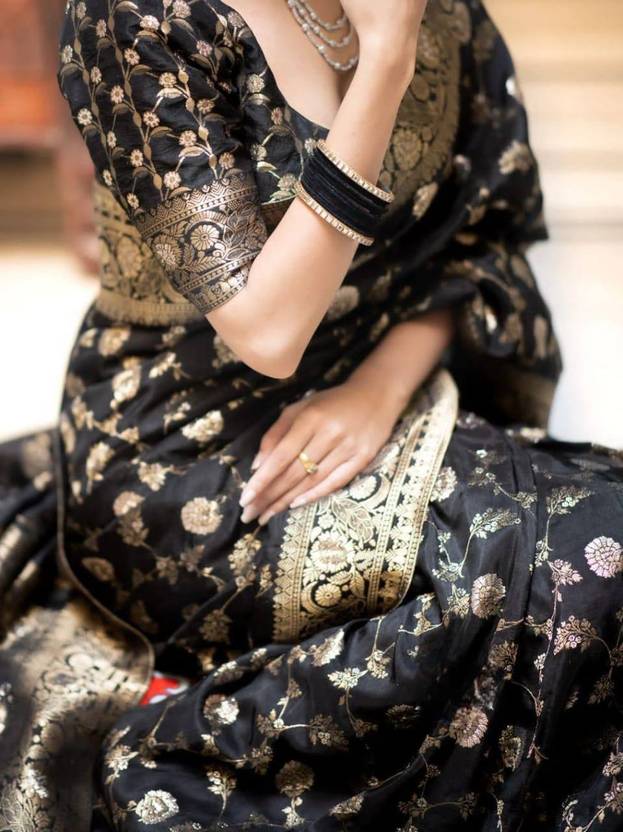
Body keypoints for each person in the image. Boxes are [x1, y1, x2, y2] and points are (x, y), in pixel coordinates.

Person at [0, 0, 621, 829]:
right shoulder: (141, 18)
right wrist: (385, 61)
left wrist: (378, 392)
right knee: (574, 565)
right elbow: (268, 331)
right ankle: (167, 765)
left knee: (601, 527)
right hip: (191, 453)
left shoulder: (438, 11)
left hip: (377, 392)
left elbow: (484, 241)